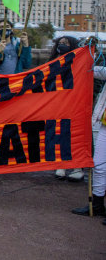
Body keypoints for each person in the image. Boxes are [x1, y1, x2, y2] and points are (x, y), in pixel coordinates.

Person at [72, 37, 106, 223]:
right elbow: (92, 71)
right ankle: (97, 203)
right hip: (104, 123)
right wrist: (86, 54)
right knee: (99, 165)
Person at [47, 36, 83, 181]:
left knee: (74, 135)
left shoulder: (78, 63)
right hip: (57, 105)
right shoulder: (51, 64)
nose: (62, 46)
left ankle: (77, 167)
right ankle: (61, 164)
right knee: (58, 134)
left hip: (74, 104)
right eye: (60, 43)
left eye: (66, 43)